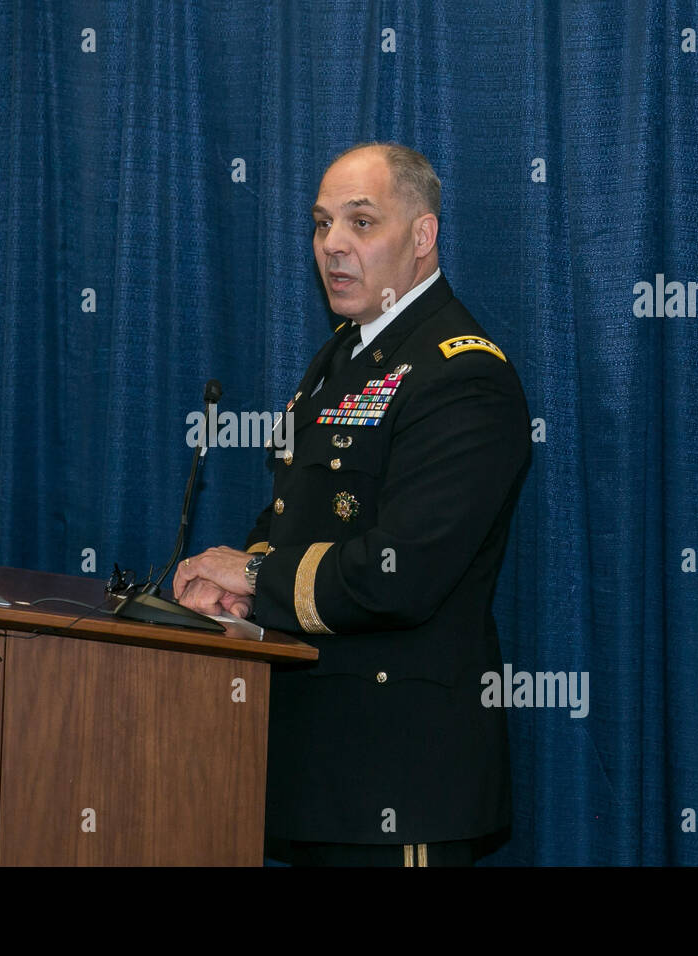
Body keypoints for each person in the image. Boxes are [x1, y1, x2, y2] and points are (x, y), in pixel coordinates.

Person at [172, 142, 531, 866]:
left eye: (361, 223)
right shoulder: (342, 358)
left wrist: (250, 577)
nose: (332, 245)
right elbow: (293, 521)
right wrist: (233, 599)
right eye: (321, 223)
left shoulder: (462, 376)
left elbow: (400, 574)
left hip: (397, 776)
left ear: (422, 237)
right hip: (318, 769)